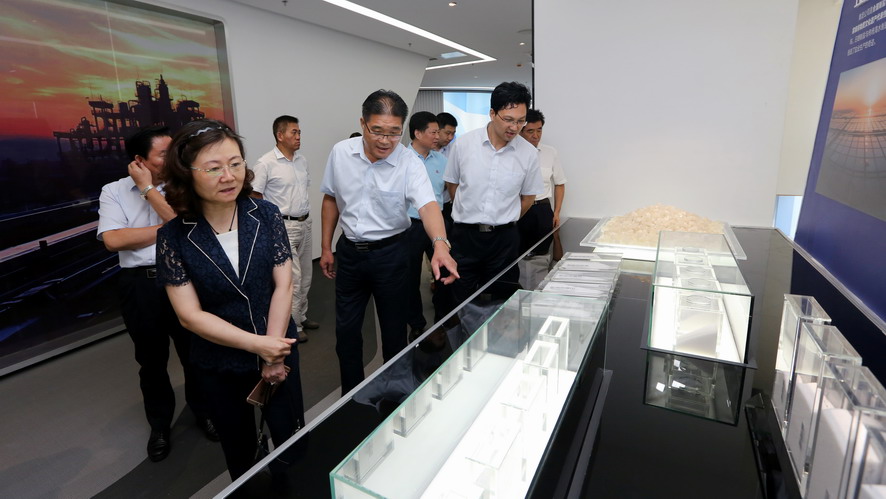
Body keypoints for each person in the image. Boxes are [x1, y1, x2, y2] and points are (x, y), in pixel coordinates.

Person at [157, 120, 305, 480]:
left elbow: (283, 285)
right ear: (186, 174)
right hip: (219, 360)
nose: (228, 176)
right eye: (213, 168)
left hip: (279, 345)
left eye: (235, 164)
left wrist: (273, 351)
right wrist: (259, 346)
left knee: (291, 437)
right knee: (238, 447)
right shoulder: (173, 237)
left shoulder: (265, 214)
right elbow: (190, 315)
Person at [319, 90, 459, 394]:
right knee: (346, 333)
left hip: (392, 255)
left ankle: (395, 394)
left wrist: (440, 244)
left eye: (394, 133)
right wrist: (326, 247)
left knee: (394, 332)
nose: (385, 141)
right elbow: (330, 198)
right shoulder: (341, 153)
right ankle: (352, 397)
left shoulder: (409, 162)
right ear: (363, 124)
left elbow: (428, 206)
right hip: (350, 254)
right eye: (377, 131)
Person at [97, 125, 216, 463]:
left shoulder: (185, 184)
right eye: (164, 153)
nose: (173, 157)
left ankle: (204, 412)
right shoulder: (114, 191)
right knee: (151, 361)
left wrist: (149, 191)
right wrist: (169, 227)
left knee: (195, 353)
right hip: (140, 285)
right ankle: (160, 426)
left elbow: (192, 232)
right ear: (140, 160)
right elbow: (113, 240)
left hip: (184, 280)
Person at [443, 81, 543, 305]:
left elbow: (528, 198)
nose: (514, 127)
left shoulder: (528, 153)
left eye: (520, 121)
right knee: (459, 298)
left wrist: (505, 217)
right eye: (508, 119)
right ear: (492, 113)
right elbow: (453, 186)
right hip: (465, 237)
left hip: (504, 240)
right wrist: (472, 211)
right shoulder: (464, 145)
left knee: (503, 302)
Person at [251, 115, 317, 343]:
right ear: (280, 135)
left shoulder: (301, 161)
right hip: (283, 226)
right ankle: (294, 325)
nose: (298, 137)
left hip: (305, 222)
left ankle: (302, 315)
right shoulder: (266, 163)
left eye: (299, 132)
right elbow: (255, 196)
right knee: (293, 278)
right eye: (293, 132)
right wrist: (269, 226)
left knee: (306, 275)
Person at [404, 112, 451, 337]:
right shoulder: (401, 159)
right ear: (417, 133)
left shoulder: (441, 161)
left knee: (444, 271)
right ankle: (416, 322)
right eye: (433, 132)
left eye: (438, 132)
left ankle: (443, 316)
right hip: (410, 226)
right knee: (410, 276)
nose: (437, 137)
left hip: (437, 225)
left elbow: (446, 191)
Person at [518, 109, 567, 254]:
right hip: (519, 209)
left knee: (542, 253)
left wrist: (556, 213)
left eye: (539, 130)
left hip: (542, 210)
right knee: (517, 253)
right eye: (530, 131)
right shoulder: (512, 152)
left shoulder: (550, 152)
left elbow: (560, 183)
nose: (536, 135)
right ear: (520, 131)